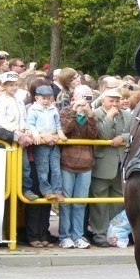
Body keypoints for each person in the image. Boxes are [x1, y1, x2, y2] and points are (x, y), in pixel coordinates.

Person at [90, 87, 132, 247]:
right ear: (103, 101)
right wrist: (108, 117)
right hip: (102, 165)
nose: (115, 104)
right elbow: (104, 135)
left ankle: (114, 234)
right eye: (111, 101)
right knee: (99, 203)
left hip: (121, 165)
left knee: (117, 202)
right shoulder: (95, 114)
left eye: (117, 101)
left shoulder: (128, 115)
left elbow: (135, 133)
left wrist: (124, 136)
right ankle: (99, 234)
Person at [58, 85, 98, 249]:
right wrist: (74, 111)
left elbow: (93, 134)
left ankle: (78, 235)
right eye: (83, 97)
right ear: (74, 97)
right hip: (67, 161)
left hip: (86, 163)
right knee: (66, 201)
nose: (85, 101)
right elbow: (65, 130)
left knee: (80, 202)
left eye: (89, 97)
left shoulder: (91, 114)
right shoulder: (64, 112)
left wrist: (89, 115)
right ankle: (65, 235)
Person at [0, 71, 35, 199]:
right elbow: (1, 119)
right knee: (7, 167)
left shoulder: (19, 101)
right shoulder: (0, 100)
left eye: (16, 85)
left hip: (20, 136)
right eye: (11, 85)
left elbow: (24, 118)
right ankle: (6, 189)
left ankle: (26, 188)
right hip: (8, 138)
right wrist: (14, 130)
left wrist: (26, 129)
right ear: (4, 86)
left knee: (25, 165)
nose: (14, 87)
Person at [26, 85, 67, 201]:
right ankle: (47, 191)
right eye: (44, 98)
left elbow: (58, 123)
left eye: (49, 98)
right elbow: (31, 124)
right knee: (43, 169)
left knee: (56, 168)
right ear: (37, 98)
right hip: (41, 142)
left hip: (53, 139)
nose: (46, 101)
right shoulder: (33, 110)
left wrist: (60, 134)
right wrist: (36, 135)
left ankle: (58, 190)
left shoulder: (53, 109)